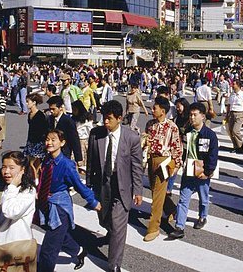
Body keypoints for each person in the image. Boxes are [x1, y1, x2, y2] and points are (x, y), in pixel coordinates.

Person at [86, 100, 143, 271]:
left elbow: (137, 166)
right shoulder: (96, 134)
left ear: (119, 118)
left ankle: (114, 265)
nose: (105, 122)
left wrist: (138, 190)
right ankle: (109, 230)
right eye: (104, 117)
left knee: (119, 226)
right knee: (104, 218)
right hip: (103, 184)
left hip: (122, 186)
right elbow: (91, 161)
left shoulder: (131, 137)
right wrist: (89, 183)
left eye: (109, 118)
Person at [36, 130, 101, 271]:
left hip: (60, 207)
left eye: (53, 140)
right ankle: (78, 251)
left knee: (48, 249)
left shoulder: (66, 164)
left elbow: (79, 185)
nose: (49, 143)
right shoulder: (47, 159)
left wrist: (93, 202)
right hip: (46, 203)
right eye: (47, 139)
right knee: (61, 235)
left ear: (62, 143)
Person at [168, 102, 219, 240]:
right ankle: (179, 227)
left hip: (202, 169)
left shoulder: (209, 135)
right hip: (189, 168)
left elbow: (213, 155)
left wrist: (208, 172)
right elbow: (183, 149)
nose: (192, 117)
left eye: (195, 115)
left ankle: (203, 216)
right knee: (183, 198)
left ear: (202, 116)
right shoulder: (187, 131)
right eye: (190, 114)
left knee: (203, 197)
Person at [142, 96, 182, 242]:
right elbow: (146, 143)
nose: (153, 110)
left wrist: (176, 165)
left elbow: (177, 148)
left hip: (164, 161)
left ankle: (153, 228)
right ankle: (172, 209)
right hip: (151, 159)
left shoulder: (172, 127)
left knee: (157, 197)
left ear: (163, 111)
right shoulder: (150, 124)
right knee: (155, 190)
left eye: (155, 108)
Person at [47, 95, 85, 172]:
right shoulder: (50, 119)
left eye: (53, 109)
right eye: (50, 109)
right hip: (51, 152)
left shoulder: (68, 121)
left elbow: (74, 140)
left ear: (60, 107)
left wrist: (78, 158)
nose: (51, 111)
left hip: (64, 152)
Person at [23, 93, 50, 176]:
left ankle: (36, 179)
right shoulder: (29, 114)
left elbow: (44, 129)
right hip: (30, 141)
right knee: (31, 163)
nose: (26, 103)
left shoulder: (40, 115)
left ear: (34, 102)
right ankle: (34, 178)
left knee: (34, 163)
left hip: (38, 142)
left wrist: (44, 143)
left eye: (28, 102)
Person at [226, 80, 243, 153]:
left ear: (238, 86)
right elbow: (229, 105)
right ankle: (235, 146)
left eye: (234, 84)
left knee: (235, 130)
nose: (232, 85)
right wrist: (227, 115)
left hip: (240, 113)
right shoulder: (232, 94)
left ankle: (240, 146)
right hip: (232, 113)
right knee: (230, 131)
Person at [72, 100, 93, 170]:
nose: (73, 111)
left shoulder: (87, 119)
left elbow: (91, 130)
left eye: (75, 109)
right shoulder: (73, 119)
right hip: (76, 140)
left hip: (85, 141)